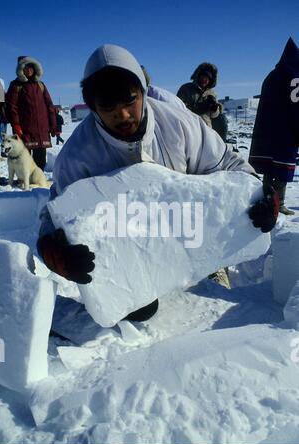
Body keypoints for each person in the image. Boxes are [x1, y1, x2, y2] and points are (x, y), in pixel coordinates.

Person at [36, 44, 279, 322]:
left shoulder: (178, 124)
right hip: (128, 239)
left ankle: (210, 265)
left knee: (208, 282)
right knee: (140, 310)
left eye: (130, 100)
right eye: (108, 106)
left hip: (190, 224)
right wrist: (51, 248)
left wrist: (258, 194)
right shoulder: (77, 155)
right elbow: (54, 212)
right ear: (92, 108)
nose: (123, 114)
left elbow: (227, 163)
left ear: (142, 92)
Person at [249, 37, 299, 216]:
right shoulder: (295, 76)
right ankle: (279, 204)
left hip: (267, 132)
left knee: (269, 168)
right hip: (285, 132)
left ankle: (268, 200)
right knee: (282, 169)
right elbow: (296, 106)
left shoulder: (271, 76)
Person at [6, 56, 57, 171]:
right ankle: (25, 180)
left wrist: (54, 125)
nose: (28, 70)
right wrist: (16, 125)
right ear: (21, 69)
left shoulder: (41, 85)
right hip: (25, 130)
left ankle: (38, 179)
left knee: (40, 159)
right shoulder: (16, 85)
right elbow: (11, 107)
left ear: (35, 69)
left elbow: (49, 105)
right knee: (24, 158)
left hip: (42, 130)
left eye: (30, 67)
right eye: (25, 68)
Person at [177, 62, 221, 128]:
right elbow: (177, 107)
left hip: (206, 127)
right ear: (198, 76)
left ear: (210, 80)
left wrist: (214, 109)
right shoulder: (186, 88)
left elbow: (214, 116)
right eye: (203, 77)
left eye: (207, 78)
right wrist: (196, 109)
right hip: (188, 126)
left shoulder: (212, 93)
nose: (204, 80)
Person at [0, 75, 7, 151]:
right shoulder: (0, 81)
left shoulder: (0, 81)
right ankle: (2, 151)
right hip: (1, 113)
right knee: (1, 133)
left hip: (1, 112)